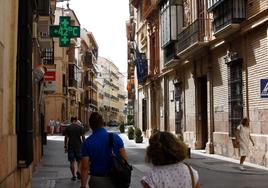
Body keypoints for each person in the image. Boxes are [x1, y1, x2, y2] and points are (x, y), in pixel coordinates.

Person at [80, 112, 128, 188]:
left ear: (90, 126)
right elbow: (125, 159)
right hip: (116, 180)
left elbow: (85, 167)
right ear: (103, 123)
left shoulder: (87, 143)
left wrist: (83, 186)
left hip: (97, 180)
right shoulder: (115, 137)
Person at [63, 116, 85, 181]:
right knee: (80, 160)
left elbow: (66, 138)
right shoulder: (80, 128)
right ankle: (78, 170)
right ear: (76, 120)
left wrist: (65, 146)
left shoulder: (68, 128)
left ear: (71, 120)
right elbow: (83, 137)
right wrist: (85, 145)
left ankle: (73, 176)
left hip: (71, 146)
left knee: (71, 162)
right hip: (79, 146)